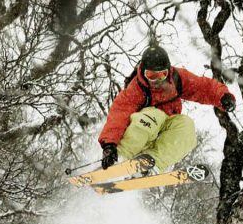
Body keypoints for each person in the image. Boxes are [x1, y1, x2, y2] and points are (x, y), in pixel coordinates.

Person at [98, 43, 235, 174]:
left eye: (161, 75)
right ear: (143, 73)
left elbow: (202, 87)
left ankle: (150, 163)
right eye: (151, 76)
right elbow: (118, 115)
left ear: (168, 71)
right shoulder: (136, 89)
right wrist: (109, 145)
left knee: (187, 127)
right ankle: (120, 159)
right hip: (139, 134)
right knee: (155, 115)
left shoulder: (177, 79)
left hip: (162, 134)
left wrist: (223, 96)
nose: (157, 80)